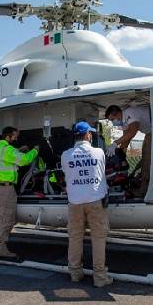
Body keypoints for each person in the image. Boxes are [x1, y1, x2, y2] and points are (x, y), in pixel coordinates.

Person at [61, 122, 111, 288]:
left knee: (75, 238)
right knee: (98, 238)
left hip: (75, 202)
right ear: (88, 135)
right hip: (96, 200)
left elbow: (66, 174)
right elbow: (102, 171)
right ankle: (99, 277)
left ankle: (75, 273)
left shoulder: (65, 155)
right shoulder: (98, 152)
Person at [0, 126, 39, 262]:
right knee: (7, 219)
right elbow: (24, 160)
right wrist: (35, 150)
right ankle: (1, 249)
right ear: (8, 137)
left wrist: (19, 150)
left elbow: (9, 157)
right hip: (6, 189)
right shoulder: (8, 150)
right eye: (14, 136)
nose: (16, 138)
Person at [105, 103, 151, 197]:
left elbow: (132, 132)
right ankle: (142, 185)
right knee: (144, 159)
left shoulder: (129, 112)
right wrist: (119, 153)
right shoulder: (123, 123)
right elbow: (126, 138)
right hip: (149, 133)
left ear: (117, 114)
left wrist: (115, 143)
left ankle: (143, 191)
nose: (113, 122)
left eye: (112, 119)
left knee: (147, 161)